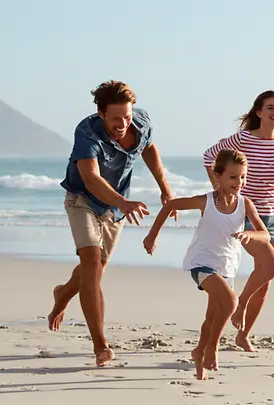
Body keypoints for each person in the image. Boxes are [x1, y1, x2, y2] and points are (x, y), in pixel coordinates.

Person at [48, 80, 177, 367]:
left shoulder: (140, 122)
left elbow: (149, 149)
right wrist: (124, 202)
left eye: (127, 117)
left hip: (115, 208)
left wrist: (165, 188)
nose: (123, 124)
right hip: (82, 199)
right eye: (116, 118)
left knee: (93, 272)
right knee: (92, 265)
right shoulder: (86, 132)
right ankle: (100, 345)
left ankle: (64, 293)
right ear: (101, 113)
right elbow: (92, 179)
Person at [143, 149, 271, 380]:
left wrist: (250, 236)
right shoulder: (206, 201)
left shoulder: (245, 204)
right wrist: (152, 236)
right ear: (218, 176)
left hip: (227, 267)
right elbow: (170, 205)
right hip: (202, 264)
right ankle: (212, 347)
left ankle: (199, 353)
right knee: (231, 302)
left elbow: (265, 234)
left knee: (212, 317)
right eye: (233, 177)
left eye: (243, 177)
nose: (239, 182)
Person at [202, 90, 274, 352]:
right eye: (270, 107)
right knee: (271, 266)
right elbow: (209, 157)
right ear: (259, 112)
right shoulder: (243, 139)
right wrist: (221, 190)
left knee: (266, 279)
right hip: (247, 215)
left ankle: (243, 334)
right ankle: (240, 303)